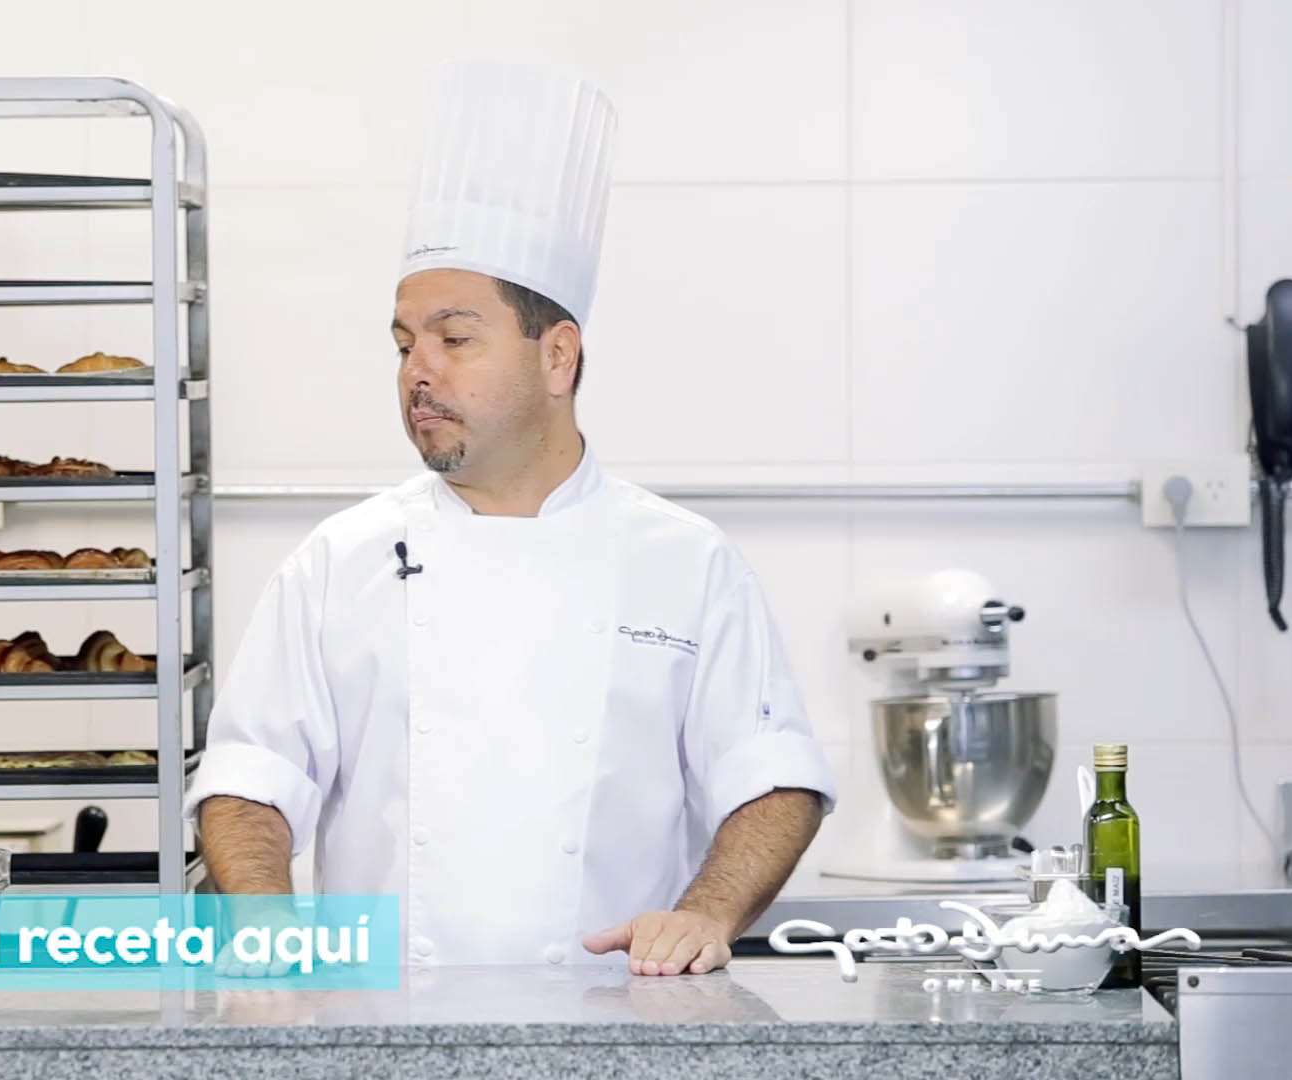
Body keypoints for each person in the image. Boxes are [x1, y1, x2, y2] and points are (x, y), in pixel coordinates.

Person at [184, 64, 835, 976]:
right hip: (378, 1019)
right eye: (405, 344)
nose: (418, 372)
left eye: (455, 339)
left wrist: (705, 915)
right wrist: (264, 916)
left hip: (620, 1018)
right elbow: (251, 780)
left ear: (558, 357)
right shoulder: (338, 560)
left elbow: (772, 777)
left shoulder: (686, 561)